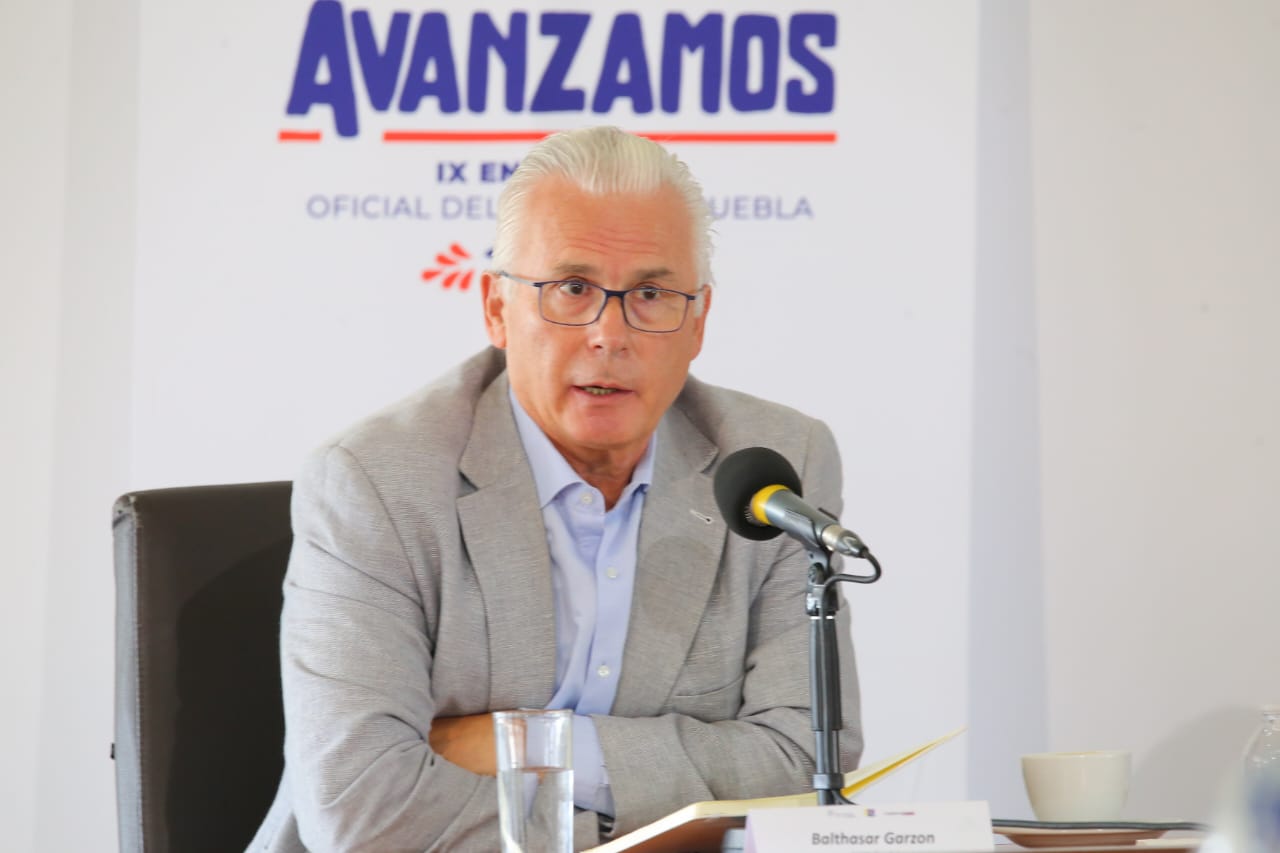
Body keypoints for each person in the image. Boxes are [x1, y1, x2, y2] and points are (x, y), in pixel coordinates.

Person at [249, 126, 862, 852]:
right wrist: (628, 821)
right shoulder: (375, 481)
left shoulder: (774, 466)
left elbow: (807, 760)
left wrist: (545, 748)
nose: (609, 334)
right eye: (572, 289)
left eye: (651, 293)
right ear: (496, 309)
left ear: (698, 323)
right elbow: (362, 811)